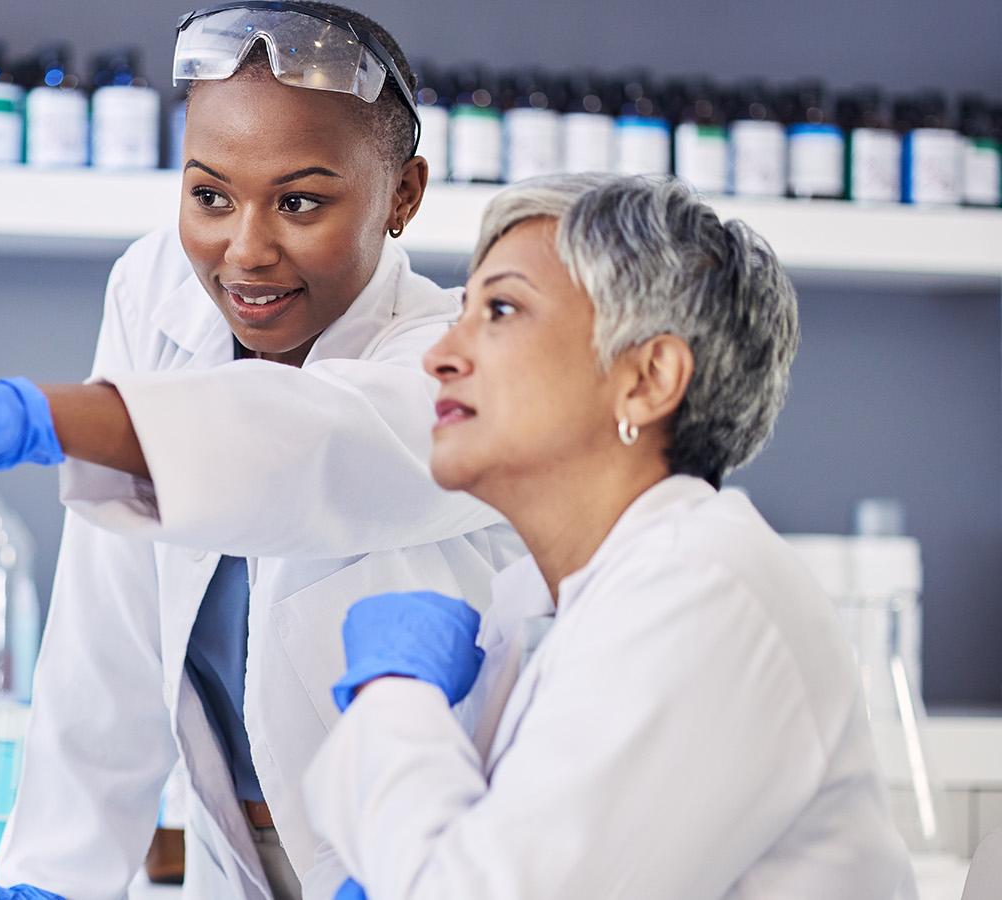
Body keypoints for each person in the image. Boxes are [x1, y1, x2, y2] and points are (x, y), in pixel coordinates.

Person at [0, 4, 513, 899]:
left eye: (300, 201)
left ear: (403, 194)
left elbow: (302, 446)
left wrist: (40, 418)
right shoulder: (158, 292)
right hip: (240, 861)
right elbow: (110, 613)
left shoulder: (463, 357)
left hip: (423, 860)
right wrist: (53, 877)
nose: (244, 252)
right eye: (209, 194)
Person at [302, 173, 916, 899]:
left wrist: (393, 695)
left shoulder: (706, 588)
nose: (439, 357)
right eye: (460, 311)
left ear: (648, 378)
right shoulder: (542, 605)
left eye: (500, 309)